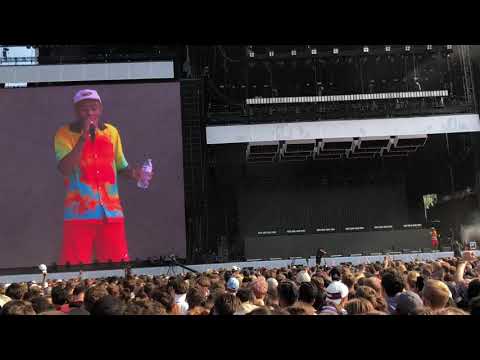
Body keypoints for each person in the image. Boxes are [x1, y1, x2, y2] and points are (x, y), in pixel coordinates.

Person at [54, 89, 153, 266]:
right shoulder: (64, 134)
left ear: (100, 109)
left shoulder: (112, 132)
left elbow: (120, 165)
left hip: (111, 212)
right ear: (76, 111)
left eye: (93, 108)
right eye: (84, 109)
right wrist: (83, 139)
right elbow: (65, 169)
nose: (89, 113)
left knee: (117, 267)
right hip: (79, 213)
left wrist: (136, 173)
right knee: (74, 268)